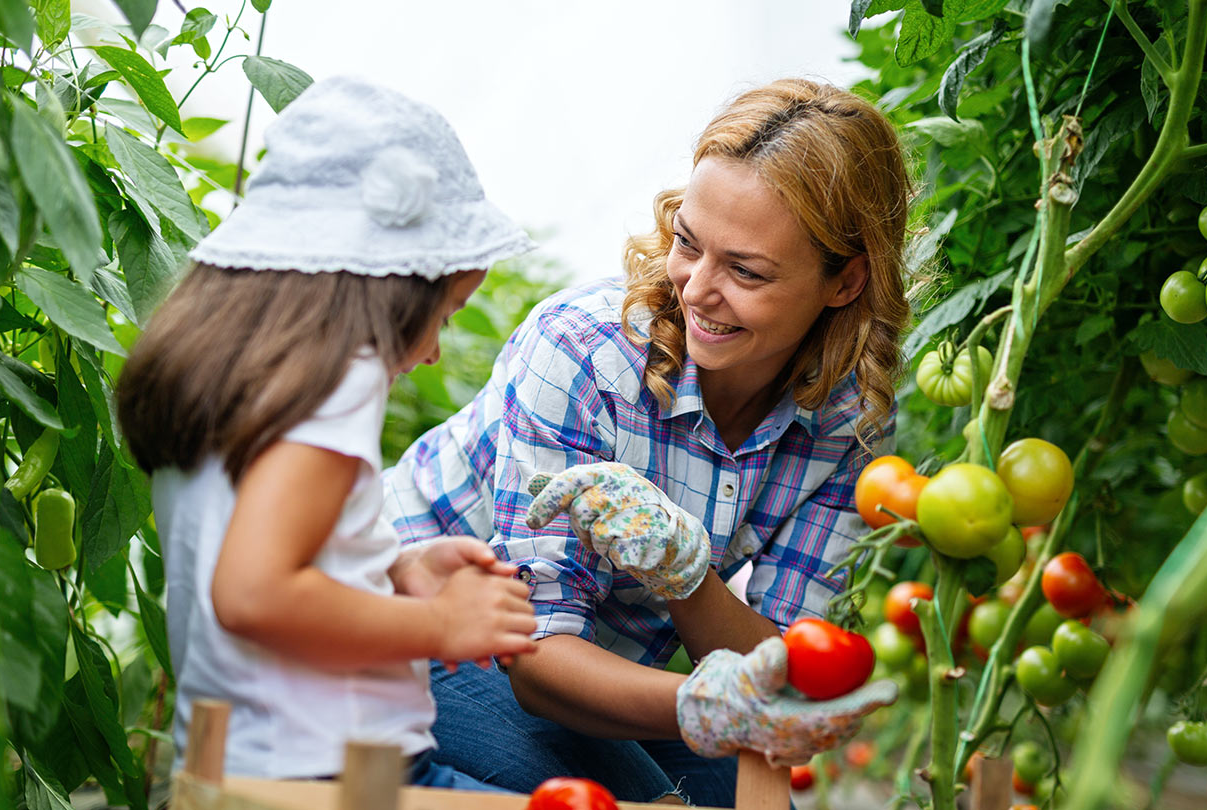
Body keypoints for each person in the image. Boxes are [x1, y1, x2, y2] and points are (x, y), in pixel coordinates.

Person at [381, 78, 912, 806]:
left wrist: (688, 576)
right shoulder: (584, 354)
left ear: (845, 282)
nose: (697, 289)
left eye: (746, 271)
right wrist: (703, 706)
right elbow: (536, 658)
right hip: (430, 626)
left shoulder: (849, 428)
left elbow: (780, 666)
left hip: (611, 660)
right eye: (688, 244)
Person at [115, 77, 540, 787]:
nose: (434, 347)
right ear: (394, 282)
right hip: (338, 777)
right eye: (446, 312)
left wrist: (394, 570)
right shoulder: (337, 382)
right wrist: (441, 628)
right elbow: (254, 593)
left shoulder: (240, 381)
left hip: (237, 764)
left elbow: (259, 553)